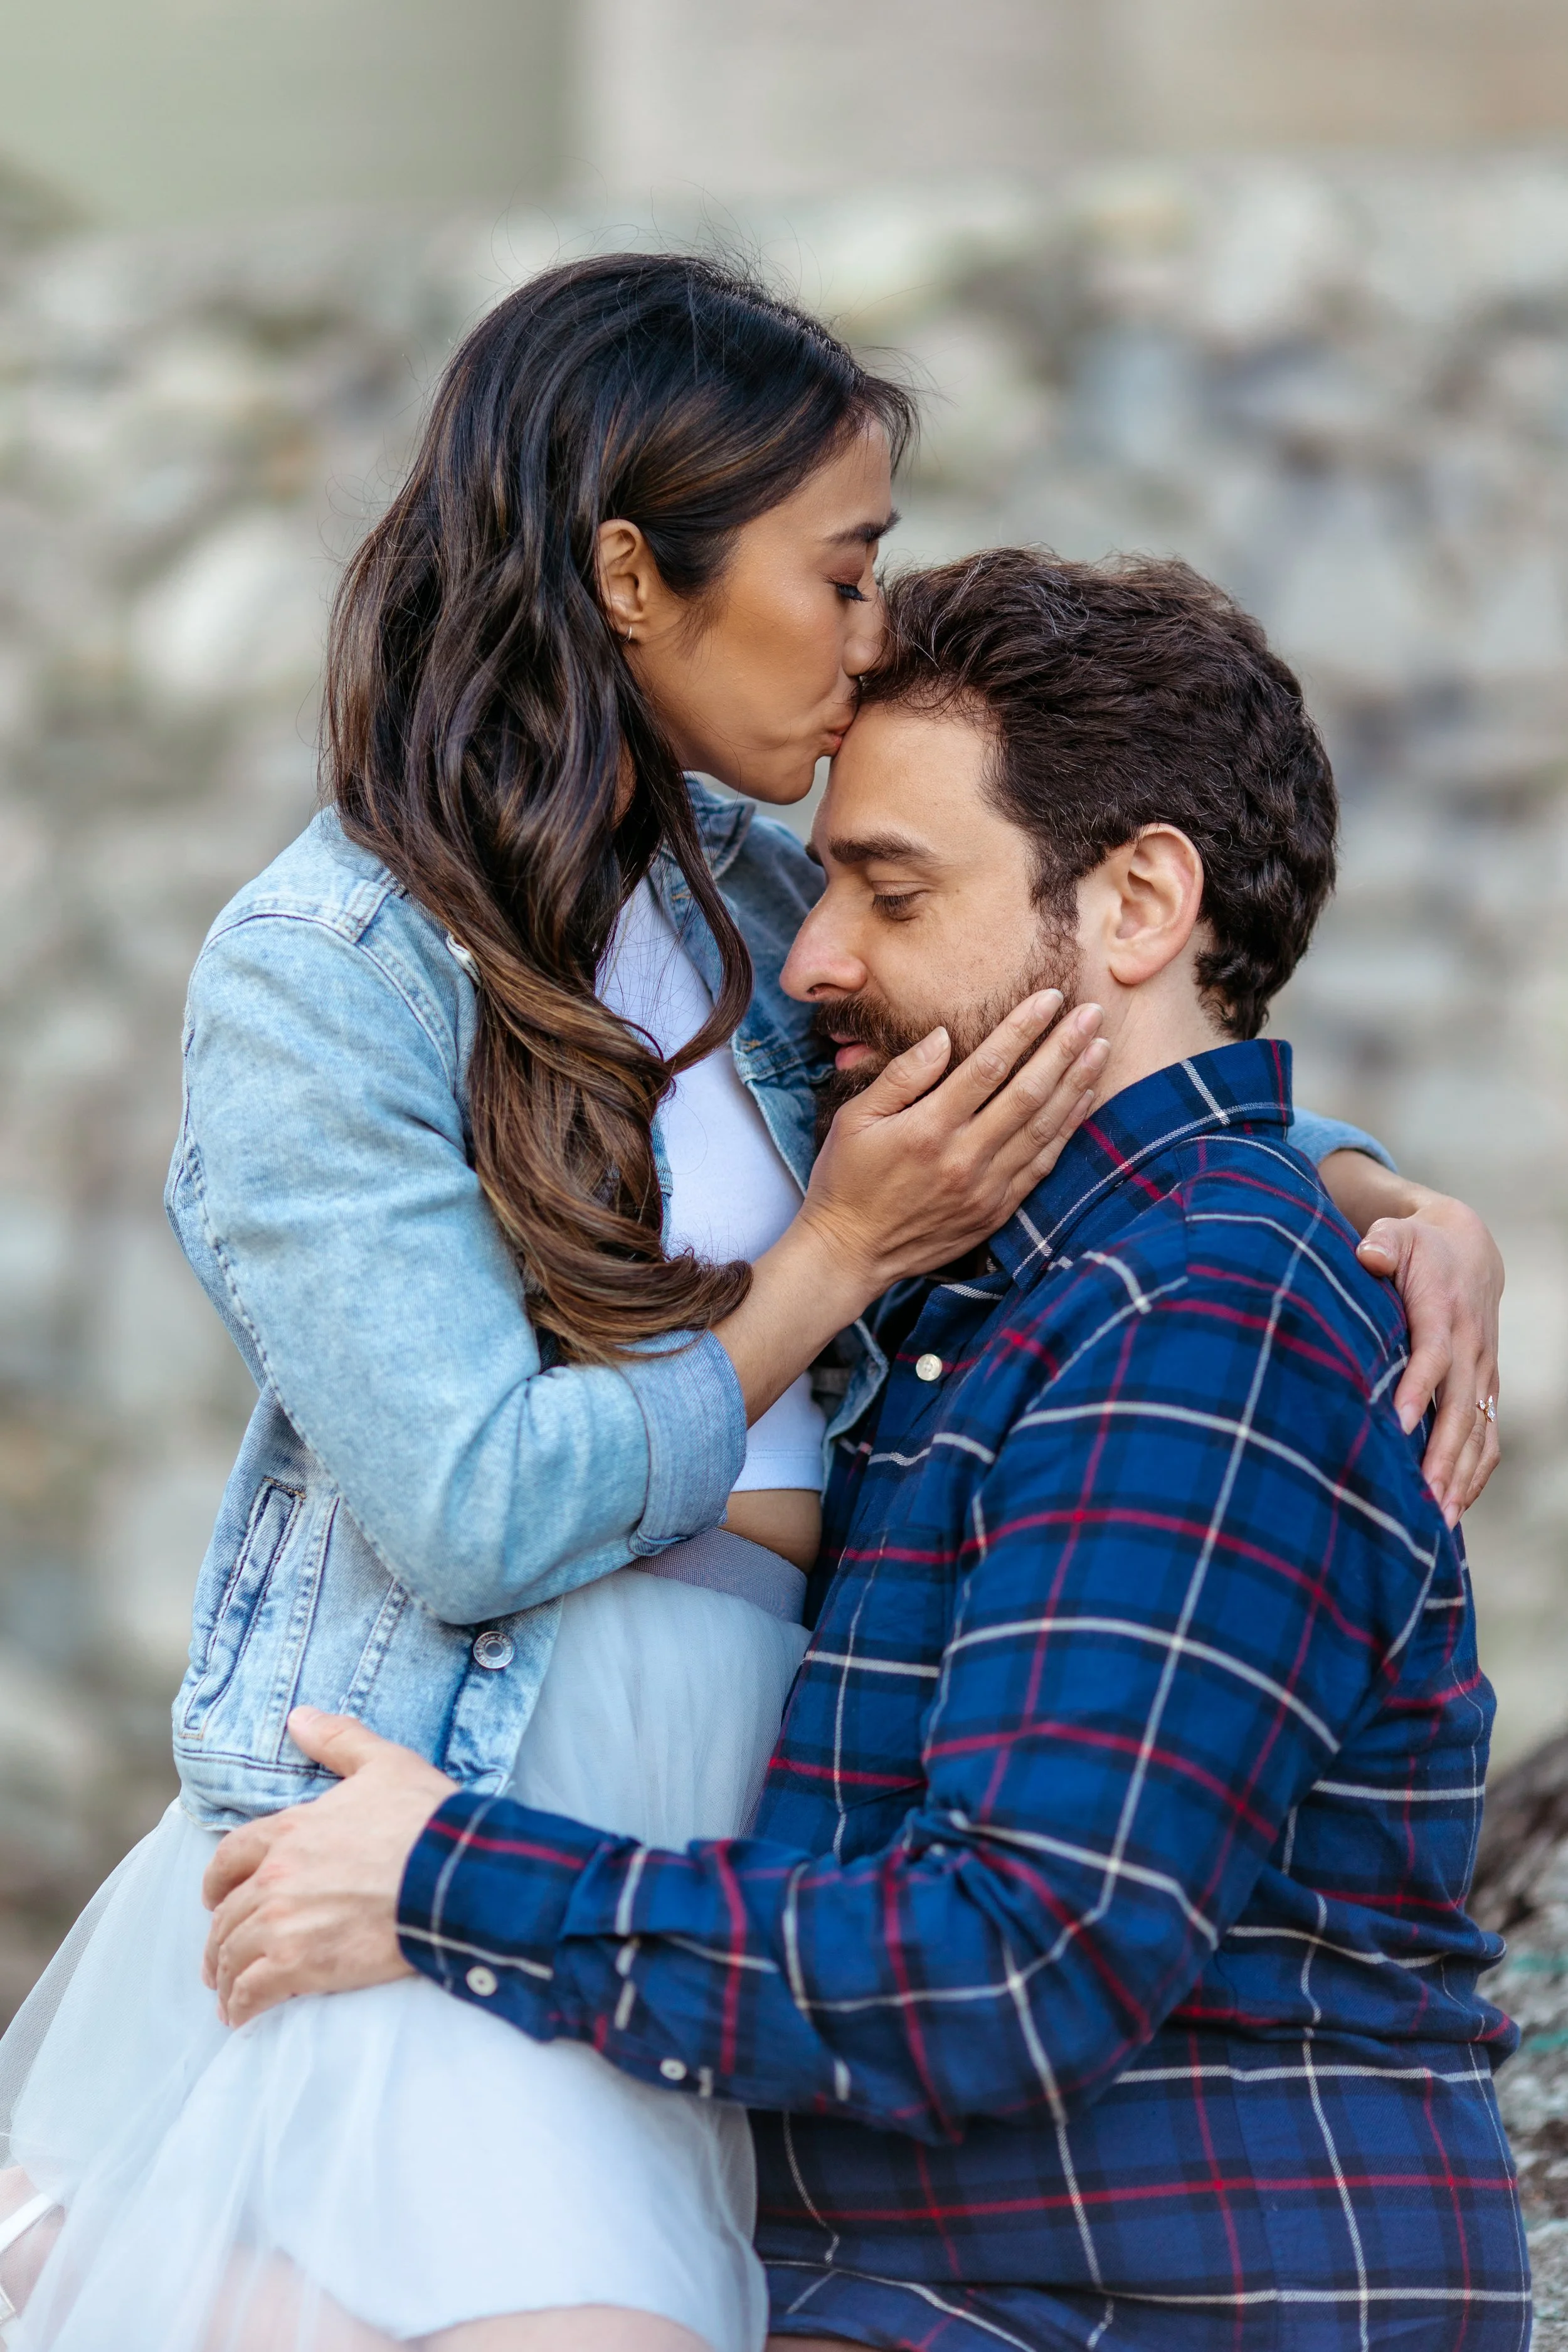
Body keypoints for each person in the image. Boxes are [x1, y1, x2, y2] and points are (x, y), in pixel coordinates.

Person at [0, 246, 1498, 2352]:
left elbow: (1057, 1018)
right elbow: (464, 1502)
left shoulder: (770, 898)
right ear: (632, 575)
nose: (868, 633)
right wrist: (828, 1264)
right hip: (494, 1755)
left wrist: (1353, 1180)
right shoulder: (329, 965)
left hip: (747, 1829)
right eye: (845, 568)